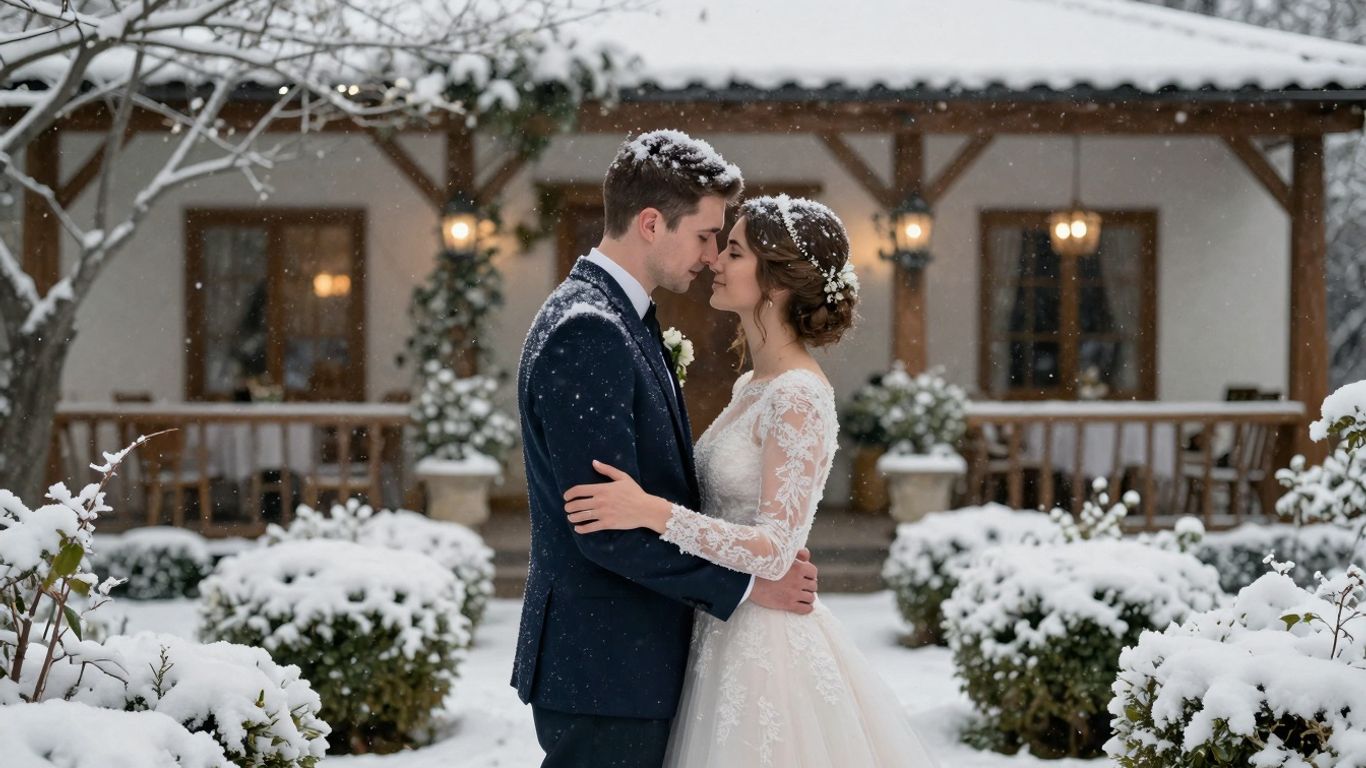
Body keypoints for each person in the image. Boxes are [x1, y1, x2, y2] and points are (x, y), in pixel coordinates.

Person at [563, 193, 941, 767]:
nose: (714, 259)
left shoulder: (799, 395)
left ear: (778, 282)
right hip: (716, 626)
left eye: (733, 251)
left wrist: (649, 511)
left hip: (766, 646)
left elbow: (774, 549)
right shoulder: (752, 387)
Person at [512, 130, 820, 768]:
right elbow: (605, 528)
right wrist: (745, 587)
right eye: (707, 235)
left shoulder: (617, 318)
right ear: (652, 223)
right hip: (608, 665)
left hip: (627, 662)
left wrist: (758, 537)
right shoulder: (590, 331)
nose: (712, 255)